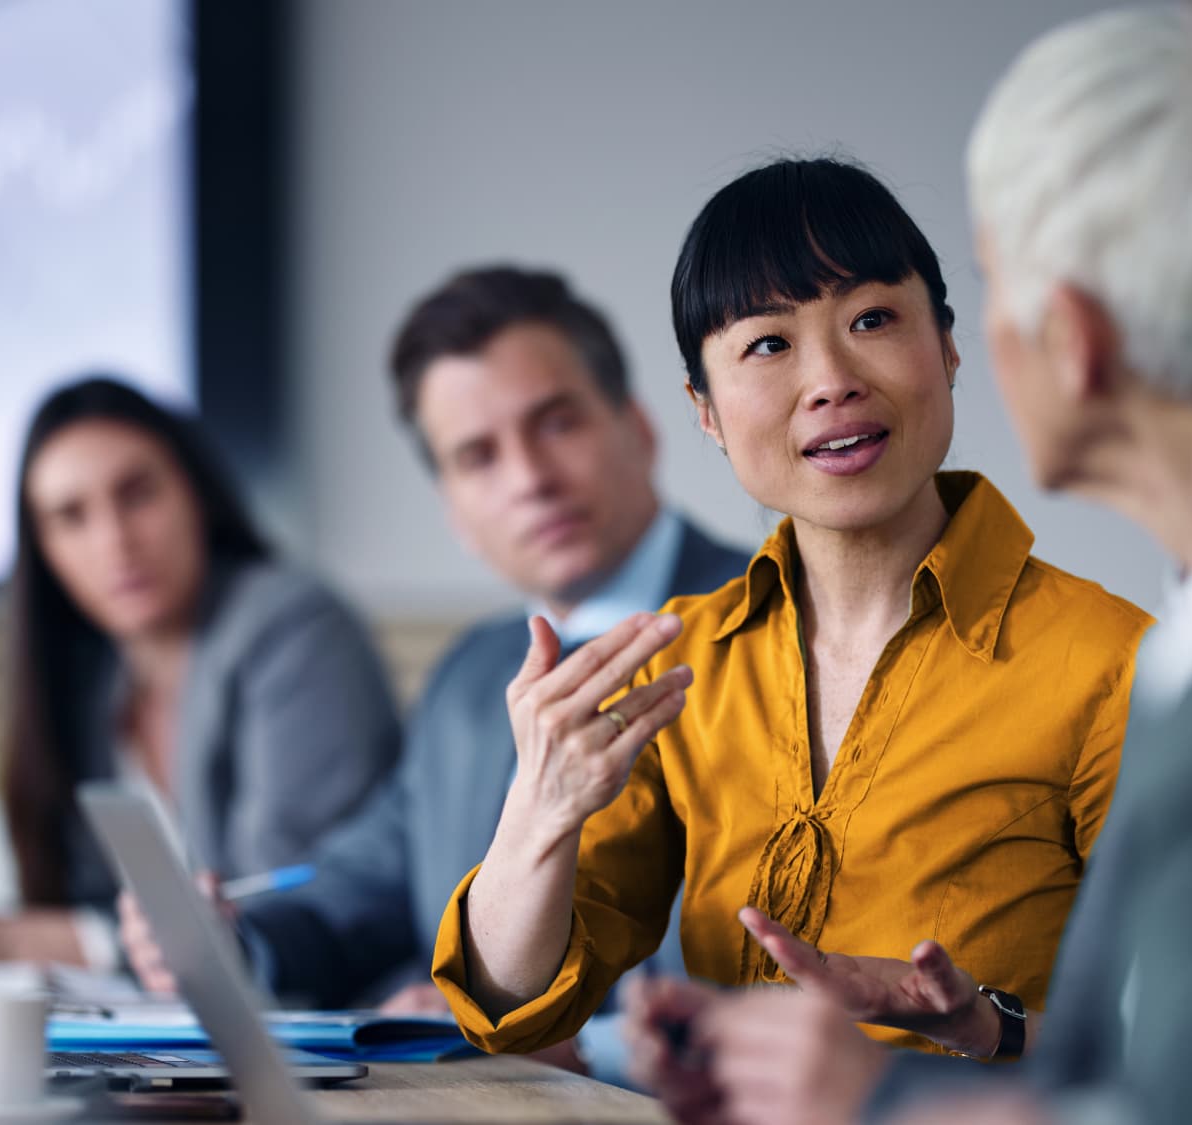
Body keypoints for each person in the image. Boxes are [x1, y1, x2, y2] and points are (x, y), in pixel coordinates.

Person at [630, 11, 1192, 1122]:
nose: (836, 378)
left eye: (981, 287)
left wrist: (886, 1102)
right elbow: (1143, 1060)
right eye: (769, 343)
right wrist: (952, 1036)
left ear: (1068, 335)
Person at [428, 157, 1152, 1088]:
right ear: (705, 414)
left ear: (949, 346)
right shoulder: (681, 661)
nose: (831, 380)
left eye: (874, 319)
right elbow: (514, 1003)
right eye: (768, 345)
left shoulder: (1110, 662)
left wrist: (983, 1025)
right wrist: (540, 808)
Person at [118, 267, 750, 1082]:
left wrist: (541, 1033)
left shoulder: (781, 621)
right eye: (478, 456)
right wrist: (228, 938)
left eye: (556, 423)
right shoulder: (468, 676)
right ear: (453, 509)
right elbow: (358, 884)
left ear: (639, 427)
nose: (529, 478)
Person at [0, 376, 402, 968]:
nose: (115, 541)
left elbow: (281, 905)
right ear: (44, 551)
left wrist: (15, 941)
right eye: (71, 516)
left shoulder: (295, 627)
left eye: (137, 495)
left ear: (195, 493)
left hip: (341, 1025)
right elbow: (92, 898)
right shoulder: (98, 684)